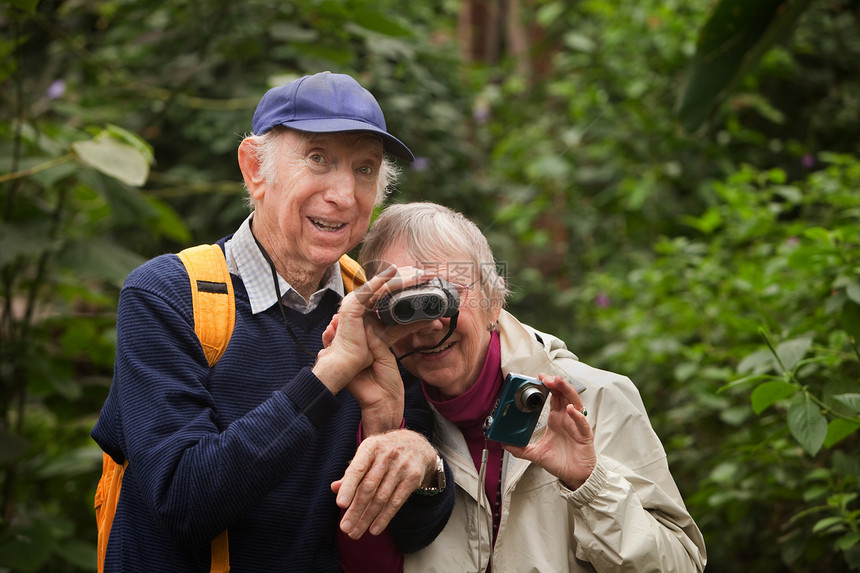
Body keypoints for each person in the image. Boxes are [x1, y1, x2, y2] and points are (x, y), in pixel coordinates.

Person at [91, 73, 454, 572]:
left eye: (365, 169)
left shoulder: (380, 307)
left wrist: (418, 458)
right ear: (254, 168)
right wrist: (328, 376)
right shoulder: (168, 296)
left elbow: (412, 533)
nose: (344, 195)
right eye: (318, 159)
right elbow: (182, 505)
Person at [353, 202, 708, 572]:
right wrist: (381, 425)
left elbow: (681, 565)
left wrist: (590, 484)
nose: (429, 324)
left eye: (445, 295)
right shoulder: (388, 416)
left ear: (494, 301)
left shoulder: (596, 399)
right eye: (403, 306)